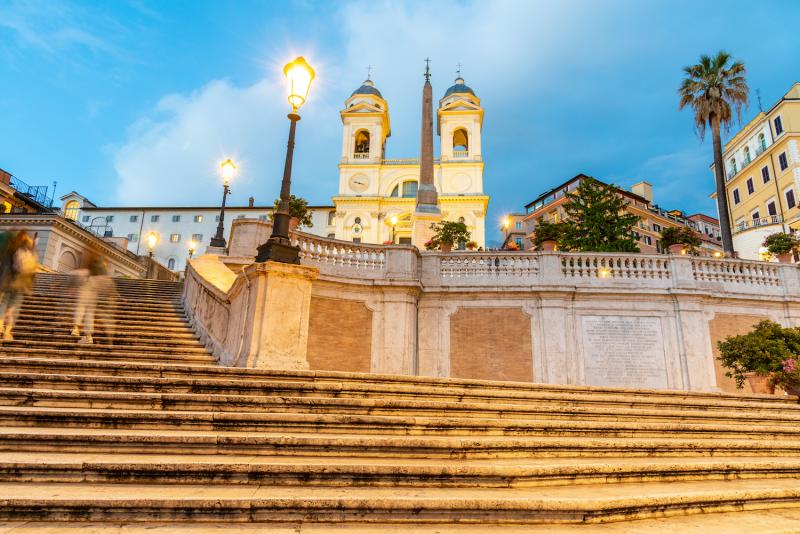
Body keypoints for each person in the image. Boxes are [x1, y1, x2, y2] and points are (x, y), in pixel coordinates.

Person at [0, 231, 38, 341]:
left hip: (8, 282)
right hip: (20, 283)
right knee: (13, 307)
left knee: (4, 304)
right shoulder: (28, 252)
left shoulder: (10, 250)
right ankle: (7, 332)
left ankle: (1, 326)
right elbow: (32, 271)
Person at [72, 249, 110, 345]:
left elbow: (81, 273)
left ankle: (76, 328)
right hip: (94, 290)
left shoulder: (89, 260)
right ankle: (88, 337)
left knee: (80, 307)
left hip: (86, 286)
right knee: (89, 313)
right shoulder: (101, 264)